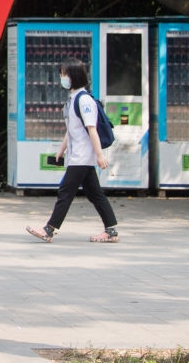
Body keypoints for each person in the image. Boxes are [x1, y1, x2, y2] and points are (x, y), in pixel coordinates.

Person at [26, 58, 120, 243]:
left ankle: (49, 229)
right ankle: (111, 230)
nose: (62, 78)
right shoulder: (73, 99)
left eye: (64, 74)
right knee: (95, 194)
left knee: (66, 192)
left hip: (82, 157)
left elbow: (92, 129)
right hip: (77, 156)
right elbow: (71, 130)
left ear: (74, 76)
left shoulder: (84, 100)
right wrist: (61, 150)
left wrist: (100, 155)